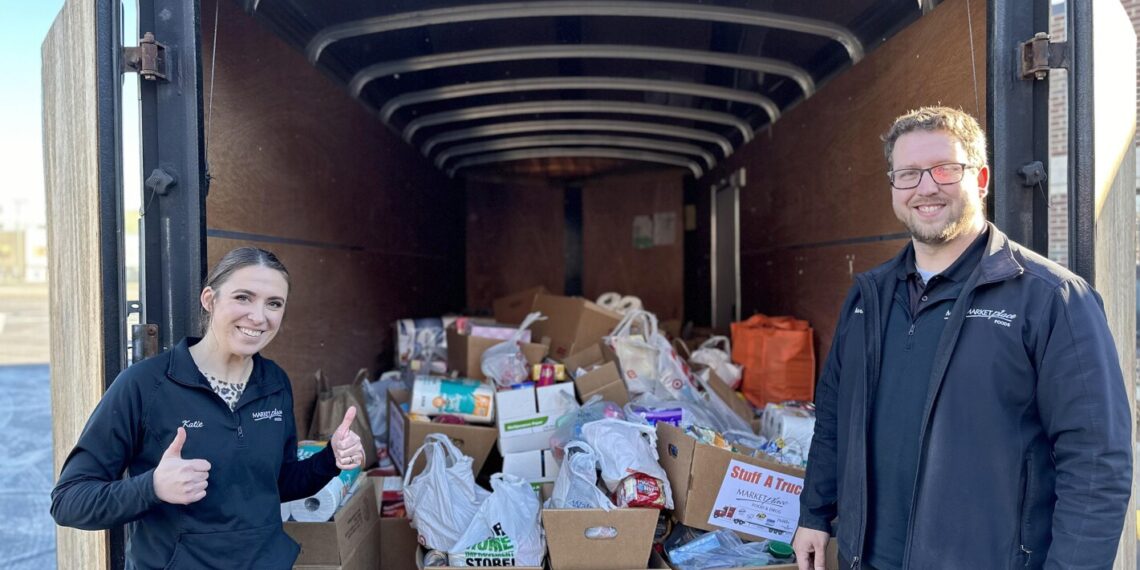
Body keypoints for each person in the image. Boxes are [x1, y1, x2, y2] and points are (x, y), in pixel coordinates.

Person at [792, 107, 1131, 569]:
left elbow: (1095, 462)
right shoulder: (867, 298)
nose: (926, 187)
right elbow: (833, 417)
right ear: (893, 186)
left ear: (982, 177)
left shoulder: (1052, 299)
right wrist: (814, 512)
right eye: (908, 174)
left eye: (946, 169)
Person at [51, 247, 366, 569]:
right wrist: (153, 486)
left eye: (274, 303)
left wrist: (331, 459)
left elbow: (275, 485)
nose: (259, 317)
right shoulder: (145, 384)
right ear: (209, 299)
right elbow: (69, 502)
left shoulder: (274, 382)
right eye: (243, 297)